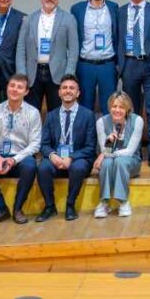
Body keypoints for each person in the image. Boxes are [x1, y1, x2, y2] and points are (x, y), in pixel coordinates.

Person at [0, 74, 43, 225]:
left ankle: (18, 209)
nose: (15, 90)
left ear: (26, 92)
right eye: (12, 86)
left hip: (21, 157)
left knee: (30, 166)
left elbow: (35, 144)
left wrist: (14, 159)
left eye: (20, 87)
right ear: (7, 87)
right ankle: (1, 209)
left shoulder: (33, 113)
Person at [116, 0, 150, 169]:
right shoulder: (120, 12)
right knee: (131, 111)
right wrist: (120, 66)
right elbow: (116, 38)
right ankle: (133, 150)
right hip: (129, 64)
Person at [35, 75, 97, 222]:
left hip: (78, 158)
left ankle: (70, 205)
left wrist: (71, 157)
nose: (68, 91)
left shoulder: (88, 115)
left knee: (78, 167)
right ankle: (50, 206)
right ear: (59, 92)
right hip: (56, 158)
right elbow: (43, 144)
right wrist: (52, 155)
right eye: (64, 88)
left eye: (71, 88)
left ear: (78, 93)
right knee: (43, 167)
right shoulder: (51, 116)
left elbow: (90, 147)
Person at [15, 0, 79, 114]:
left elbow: (74, 50)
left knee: (56, 113)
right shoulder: (29, 19)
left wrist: (68, 76)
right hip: (32, 74)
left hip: (58, 74)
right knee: (30, 113)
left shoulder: (68, 19)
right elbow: (21, 48)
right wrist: (21, 74)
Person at [70, 0, 118, 111]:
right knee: (85, 106)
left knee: (109, 105)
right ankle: (88, 127)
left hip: (107, 65)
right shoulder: (77, 9)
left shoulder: (114, 7)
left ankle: (108, 127)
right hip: (85, 65)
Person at [92, 91, 144, 218]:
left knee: (119, 161)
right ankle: (104, 202)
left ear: (127, 109)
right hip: (110, 161)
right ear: (109, 107)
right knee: (107, 163)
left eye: (121, 107)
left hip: (131, 161)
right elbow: (104, 150)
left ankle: (123, 202)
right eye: (114, 106)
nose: (117, 110)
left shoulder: (137, 120)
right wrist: (108, 143)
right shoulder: (101, 122)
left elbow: (130, 151)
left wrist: (105, 154)